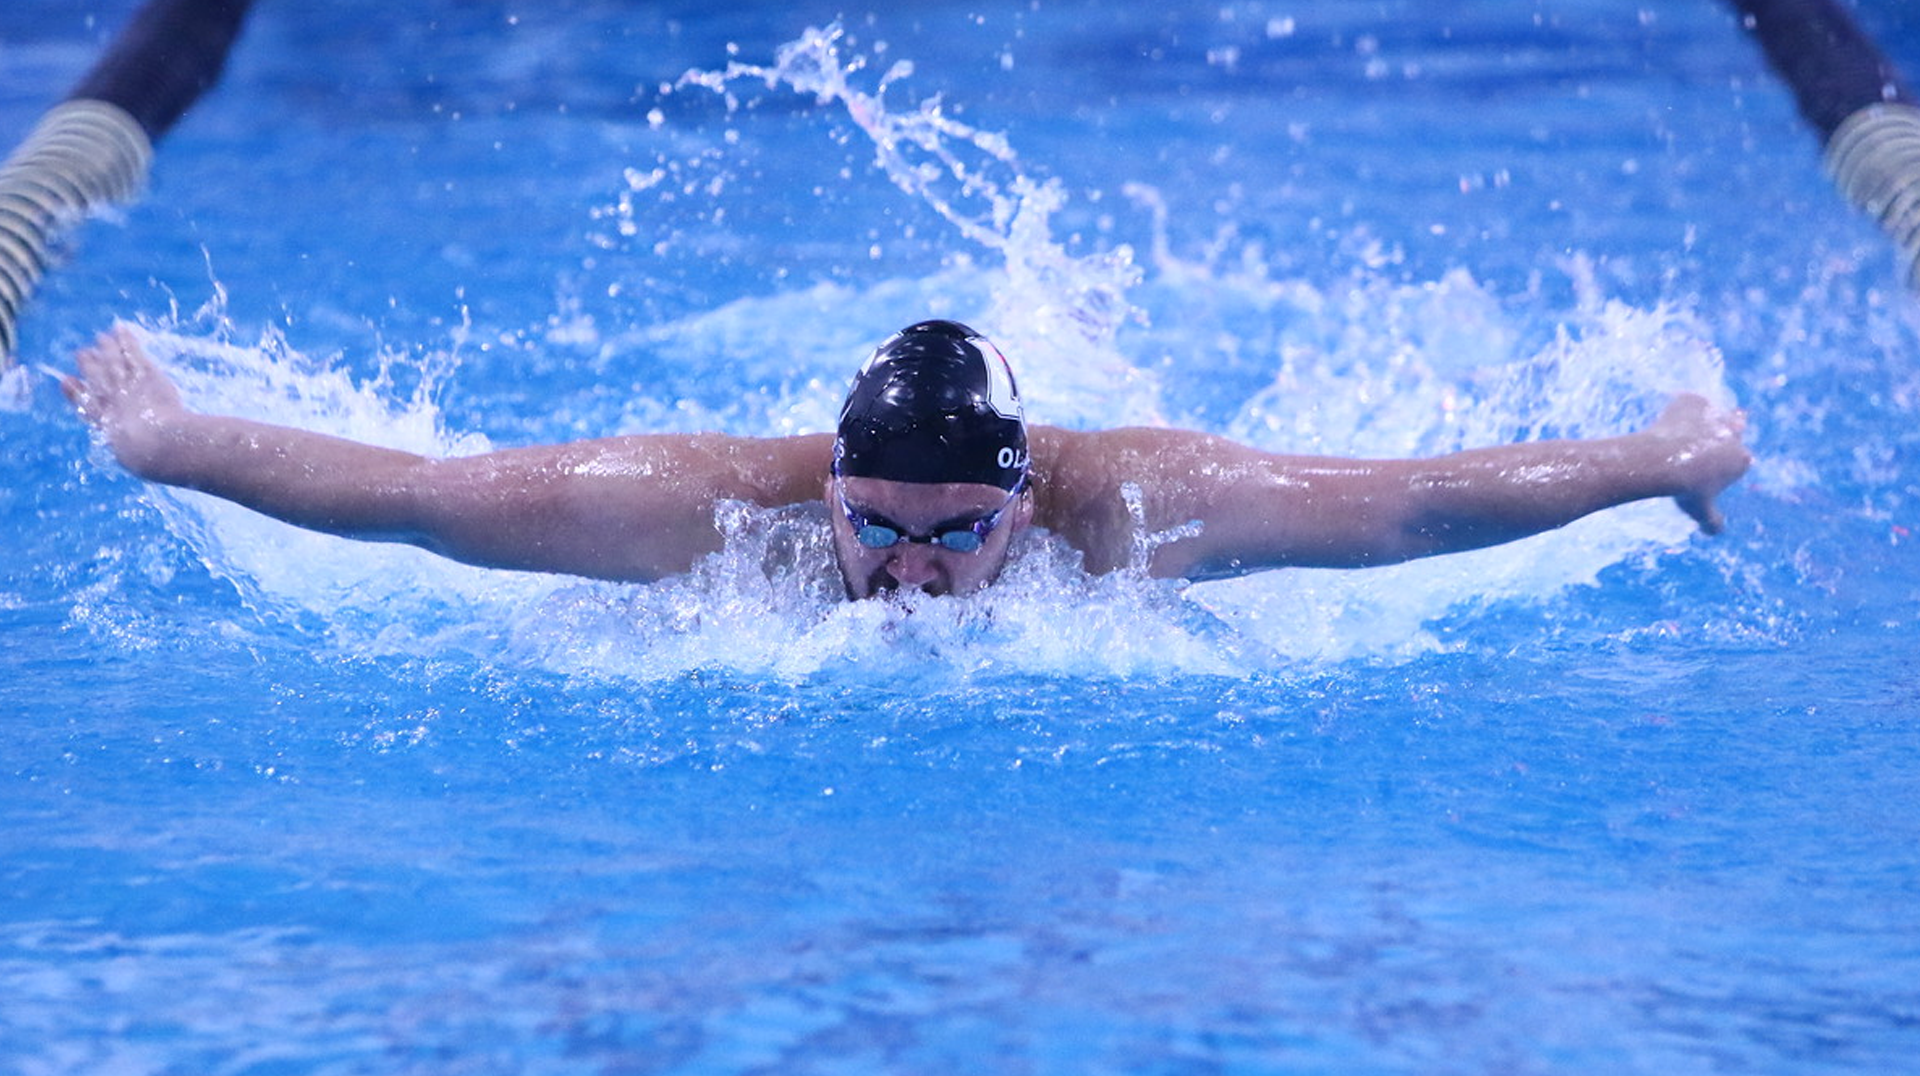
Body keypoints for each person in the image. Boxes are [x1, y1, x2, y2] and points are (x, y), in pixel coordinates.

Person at [64, 318, 1751, 600]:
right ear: (827, 494)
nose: (916, 575)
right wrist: (167, 442)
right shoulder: (701, 508)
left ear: (1029, 496)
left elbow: (1407, 501)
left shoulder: (1135, 509)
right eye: (882, 528)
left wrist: (1671, 450)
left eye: (959, 534)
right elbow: (419, 501)